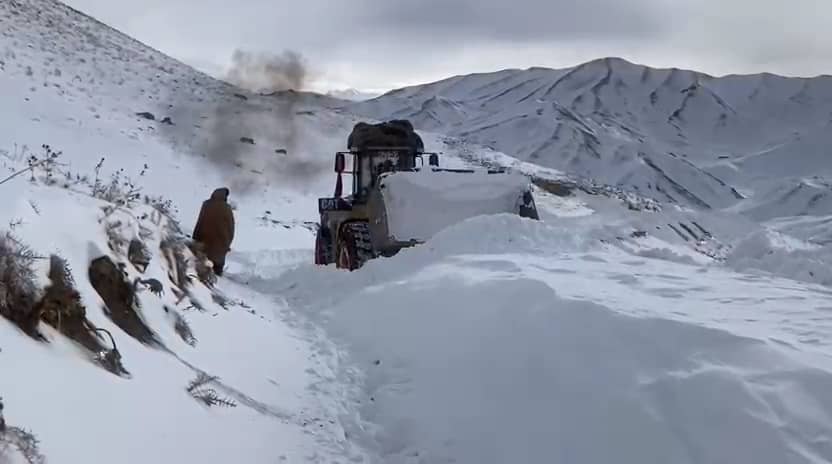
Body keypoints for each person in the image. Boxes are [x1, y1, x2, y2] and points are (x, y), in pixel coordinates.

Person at [191, 187, 235, 276]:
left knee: (201, 262)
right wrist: (228, 243)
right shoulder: (226, 208)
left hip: (203, 239)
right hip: (220, 242)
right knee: (217, 266)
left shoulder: (206, 204)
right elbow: (230, 227)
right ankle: (215, 279)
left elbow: (200, 221)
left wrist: (195, 237)